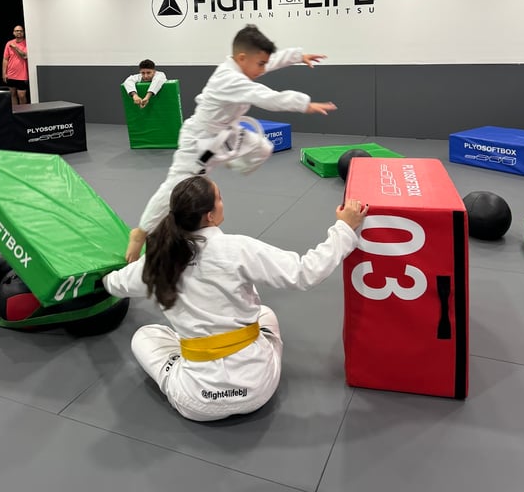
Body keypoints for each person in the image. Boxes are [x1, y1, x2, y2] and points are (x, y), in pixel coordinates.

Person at [104, 175, 368, 421]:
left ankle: (189, 358)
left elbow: (115, 284)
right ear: (210, 215)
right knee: (265, 314)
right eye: (219, 198)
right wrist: (344, 228)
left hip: (197, 401)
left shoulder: (157, 260)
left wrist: (101, 277)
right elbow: (304, 273)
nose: (222, 202)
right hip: (258, 388)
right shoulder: (238, 248)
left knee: (145, 335)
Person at [125, 25, 336, 262]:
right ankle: (141, 232)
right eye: (259, 64)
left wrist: (297, 56)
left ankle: (229, 160)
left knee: (262, 148)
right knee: (176, 185)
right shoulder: (230, 79)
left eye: (263, 64)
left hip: (227, 133)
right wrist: (304, 104)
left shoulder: (243, 65)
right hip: (200, 142)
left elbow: (269, 61)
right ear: (242, 58)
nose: (262, 69)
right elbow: (266, 96)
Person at [2, 25, 29, 105]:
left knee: (21, 95)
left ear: (23, 32)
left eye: (21, 31)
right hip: (11, 74)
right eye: (17, 31)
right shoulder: (9, 43)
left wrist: (15, 47)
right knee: (12, 95)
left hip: (22, 75)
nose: (19, 32)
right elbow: (5, 59)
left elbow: (25, 56)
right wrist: (4, 73)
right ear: (13, 33)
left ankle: (24, 112)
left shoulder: (27, 43)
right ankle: (15, 111)